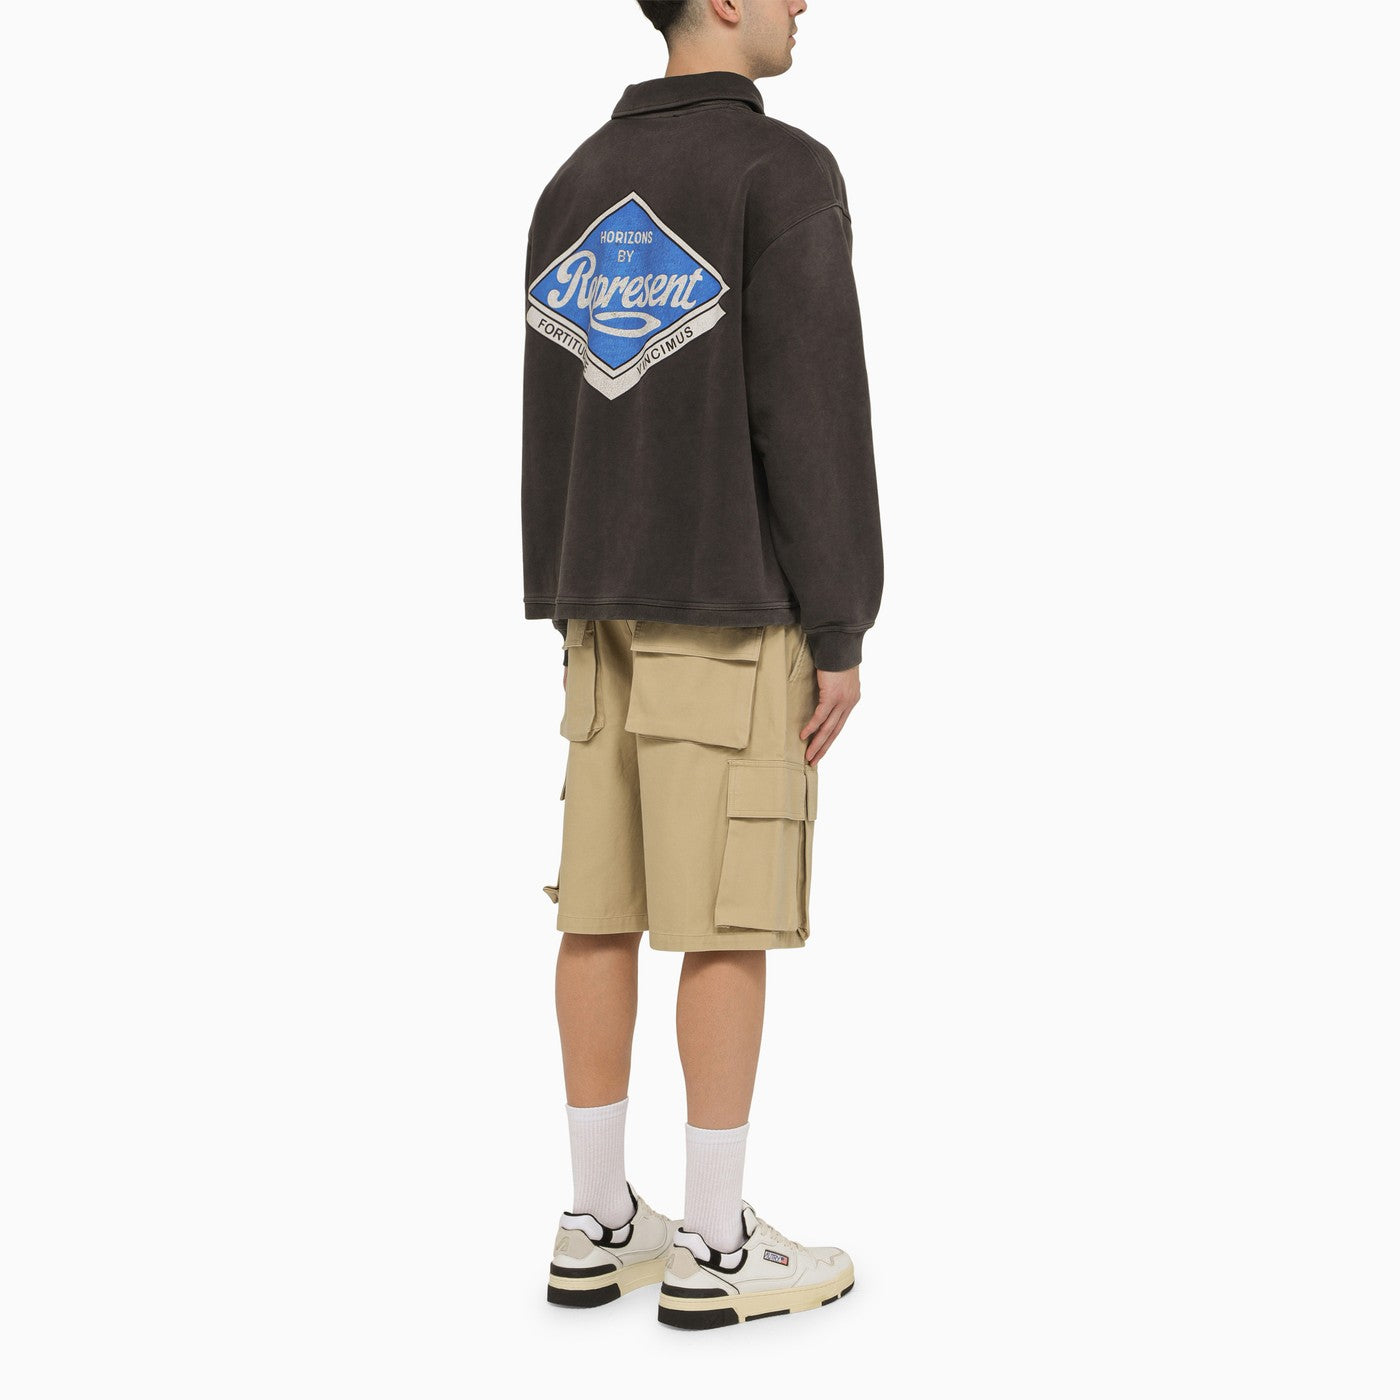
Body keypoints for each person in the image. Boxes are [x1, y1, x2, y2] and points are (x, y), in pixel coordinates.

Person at [522, 0, 883, 1329]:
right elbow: (814, 407)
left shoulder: (574, 182)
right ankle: (719, 1245)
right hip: (730, 608)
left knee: (599, 908)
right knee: (727, 916)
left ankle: (599, 1221)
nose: (807, 4)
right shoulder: (777, 171)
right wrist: (840, 623)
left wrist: (564, 591)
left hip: (596, 612)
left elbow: (553, 412)